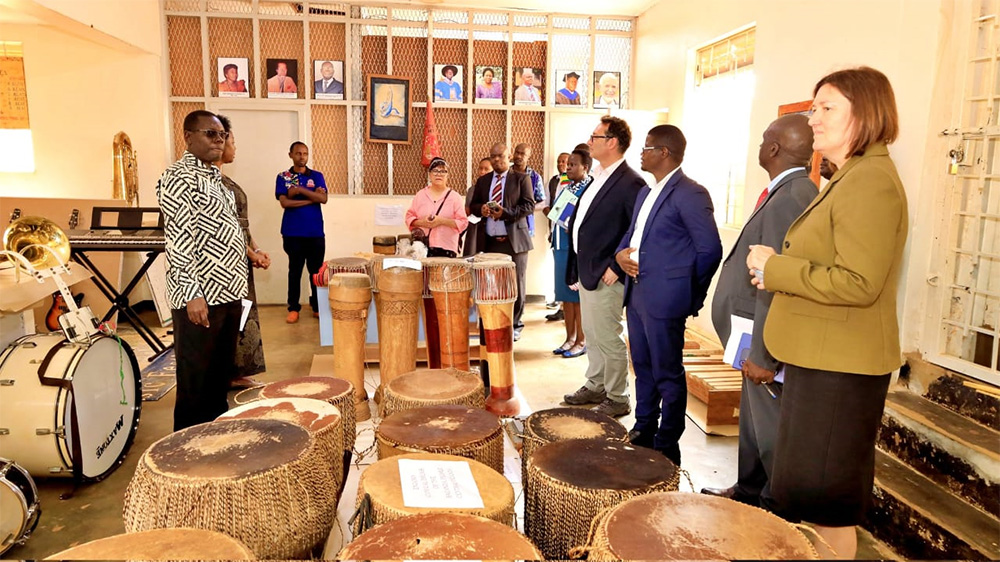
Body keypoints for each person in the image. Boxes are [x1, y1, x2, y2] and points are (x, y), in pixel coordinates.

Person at [746, 67, 907, 559]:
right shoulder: (852, 176)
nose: (812, 118)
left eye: (826, 107)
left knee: (827, 501)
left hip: (844, 367)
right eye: (813, 107)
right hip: (824, 360)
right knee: (813, 496)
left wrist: (777, 270)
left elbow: (859, 283)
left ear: (868, 113)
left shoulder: (871, 182)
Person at [701, 114, 817, 505]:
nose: (760, 144)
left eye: (765, 138)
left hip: (763, 336)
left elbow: (777, 280)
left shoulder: (792, 197)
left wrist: (765, 355)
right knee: (752, 419)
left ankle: (773, 502)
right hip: (749, 328)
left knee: (769, 426)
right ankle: (750, 490)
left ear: (774, 148)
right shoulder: (782, 192)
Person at [615, 124, 722, 464]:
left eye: (646, 148)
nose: (641, 154)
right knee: (643, 367)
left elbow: (710, 251)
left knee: (667, 373)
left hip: (666, 299)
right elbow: (632, 235)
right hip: (638, 295)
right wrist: (620, 255)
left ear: (664, 152)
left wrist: (688, 293)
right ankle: (644, 426)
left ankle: (667, 440)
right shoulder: (647, 193)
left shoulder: (691, 193)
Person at [157, 110, 248, 431]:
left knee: (219, 374)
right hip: (202, 298)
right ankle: (187, 446)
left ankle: (215, 435)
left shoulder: (215, 179)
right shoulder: (178, 177)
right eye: (210, 134)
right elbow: (180, 239)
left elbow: (223, 231)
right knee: (196, 377)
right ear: (188, 137)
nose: (218, 141)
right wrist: (193, 294)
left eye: (222, 135)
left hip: (229, 292)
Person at [562, 116, 643, 418]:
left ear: (612, 142)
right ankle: (595, 383)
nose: (590, 141)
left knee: (608, 335)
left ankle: (618, 396)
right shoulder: (598, 175)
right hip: (588, 268)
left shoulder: (631, 182)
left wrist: (616, 266)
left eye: (596, 137)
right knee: (593, 334)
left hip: (608, 273)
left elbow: (635, 230)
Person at [215, 115, 272, 389]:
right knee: (232, 317)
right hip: (228, 263)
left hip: (243, 258)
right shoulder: (213, 186)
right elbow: (228, 232)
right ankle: (227, 372)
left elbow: (242, 227)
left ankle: (237, 371)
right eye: (232, 142)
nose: (235, 148)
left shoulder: (226, 182)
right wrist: (252, 254)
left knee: (243, 315)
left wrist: (257, 249)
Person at [468, 143, 535, 340]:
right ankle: (493, 322)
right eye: (493, 156)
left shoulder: (521, 179)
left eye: (500, 156)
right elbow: (473, 206)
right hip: (489, 242)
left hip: (514, 242)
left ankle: (515, 325)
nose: (497, 159)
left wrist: (505, 213)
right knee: (491, 285)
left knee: (517, 284)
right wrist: (481, 209)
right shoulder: (483, 181)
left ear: (509, 156)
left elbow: (528, 206)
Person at [276, 141, 327, 323]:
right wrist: (312, 197)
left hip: (315, 232)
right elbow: (285, 202)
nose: (302, 157)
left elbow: (324, 198)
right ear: (290, 154)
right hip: (293, 233)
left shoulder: (317, 176)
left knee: (316, 272)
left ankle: (317, 307)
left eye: (305, 153)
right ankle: (293, 308)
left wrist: (299, 191)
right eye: (298, 153)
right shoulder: (283, 177)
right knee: (295, 271)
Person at [551, 149, 592, 358]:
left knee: (577, 296)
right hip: (560, 245)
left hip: (575, 249)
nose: (568, 168)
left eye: (573, 165)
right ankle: (569, 337)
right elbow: (557, 215)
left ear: (585, 167)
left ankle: (581, 340)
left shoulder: (589, 188)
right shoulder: (568, 186)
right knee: (565, 296)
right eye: (568, 165)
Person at [406, 157, 468, 257]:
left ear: (447, 175)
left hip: (447, 248)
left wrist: (441, 221)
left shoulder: (455, 197)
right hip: (423, 248)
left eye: (443, 171)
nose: (439, 174)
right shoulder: (420, 195)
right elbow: (409, 218)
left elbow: (463, 222)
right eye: (435, 171)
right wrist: (422, 222)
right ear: (429, 174)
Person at [544, 152, 570, 320]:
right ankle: (561, 306)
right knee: (558, 271)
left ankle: (567, 307)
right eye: (559, 161)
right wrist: (552, 214)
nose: (561, 164)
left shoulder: (574, 183)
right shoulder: (553, 182)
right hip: (555, 232)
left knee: (568, 272)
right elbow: (544, 204)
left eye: (565, 161)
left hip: (568, 235)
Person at [510, 143, 547, 239]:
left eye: (522, 154)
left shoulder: (535, 177)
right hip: (506, 221)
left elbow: (542, 203)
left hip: (525, 224)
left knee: (522, 253)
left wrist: (526, 209)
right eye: (517, 153)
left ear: (528, 156)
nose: (518, 156)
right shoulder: (506, 174)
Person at [464, 157, 494, 257]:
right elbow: (467, 209)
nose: (482, 172)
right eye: (480, 168)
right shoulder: (472, 189)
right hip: (474, 230)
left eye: (486, 169)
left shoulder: (496, 189)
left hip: (490, 229)